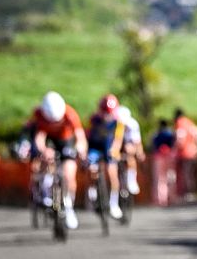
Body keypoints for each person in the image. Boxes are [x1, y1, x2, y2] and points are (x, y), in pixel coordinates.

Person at [29, 91, 87, 230]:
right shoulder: (39, 114)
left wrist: (81, 148)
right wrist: (43, 150)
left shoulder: (70, 114)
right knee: (44, 161)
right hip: (49, 141)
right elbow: (39, 137)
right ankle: (44, 190)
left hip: (65, 140)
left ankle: (68, 207)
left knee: (69, 173)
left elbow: (80, 136)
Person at [85, 94, 125, 219]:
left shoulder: (118, 121)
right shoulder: (94, 119)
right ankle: (93, 192)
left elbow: (118, 139)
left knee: (111, 171)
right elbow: (87, 136)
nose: (107, 116)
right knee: (91, 168)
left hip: (109, 147)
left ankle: (114, 203)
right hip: (95, 147)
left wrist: (114, 150)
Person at [173, 108, 197, 202]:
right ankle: (190, 192)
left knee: (184, 173)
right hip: (192, 152)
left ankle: (185, 193)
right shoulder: (189, 122)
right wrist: (196, 146)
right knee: (189, 173)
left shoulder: (180, 123)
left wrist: (175, 149)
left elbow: (180, 138)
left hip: (183, 153)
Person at [115, 105, 144, 195]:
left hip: (127, 143)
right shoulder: (113, 124)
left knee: (129, 151)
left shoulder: (132, 124)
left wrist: (140, 152)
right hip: (115, 142)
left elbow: (137, 141)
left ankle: (131, 179)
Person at [150, 119, 176, 206]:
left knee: (160, 178)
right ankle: (171, 196)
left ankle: (161, 199)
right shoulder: (171, 133)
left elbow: (152, 145)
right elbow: (174, 144)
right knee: (171, 176)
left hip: (159, 157)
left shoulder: (156, 134)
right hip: (169, 156)